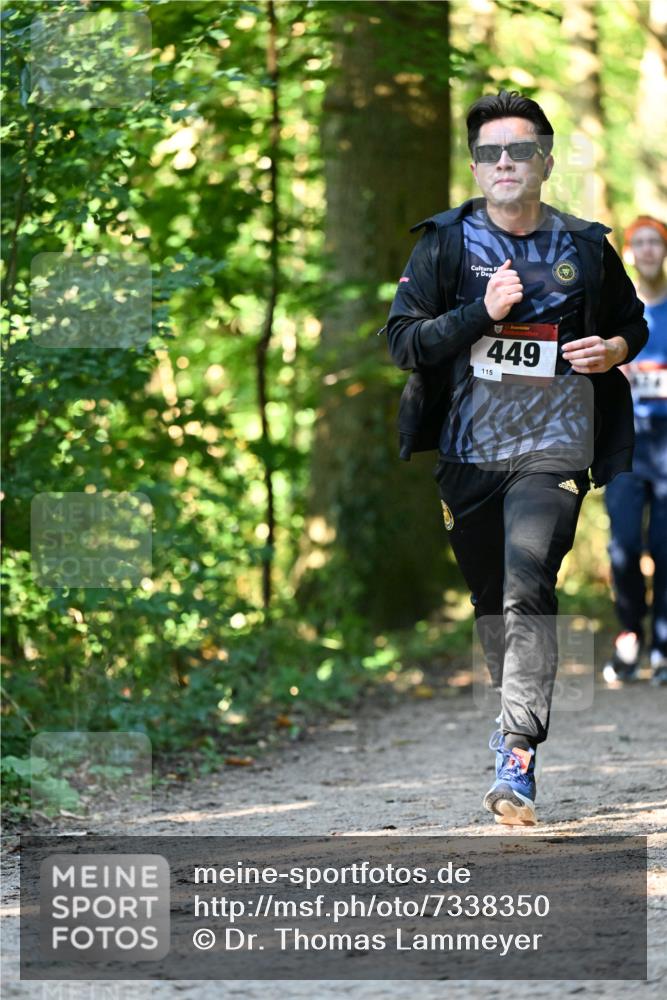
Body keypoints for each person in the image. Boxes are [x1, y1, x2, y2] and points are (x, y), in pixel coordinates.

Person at [383, 89, 648, 826]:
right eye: (491, 152)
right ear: (475, 166)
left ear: (545, 160)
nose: (506, 162)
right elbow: (403, 342)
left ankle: (517, 754)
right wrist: (480, 313)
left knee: (527, 584)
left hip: (555, 447)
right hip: (468, 455)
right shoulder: (443, 244)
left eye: (520, 150)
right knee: (490, 601)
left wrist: (614, 349)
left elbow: (631, 326)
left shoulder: (584, 247)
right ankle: (510, 728)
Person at [602, 216, 667, 686]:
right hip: (623, 441)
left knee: (665, 547)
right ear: (628, 251)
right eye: (638, 242)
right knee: (624, 545)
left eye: (655, 242)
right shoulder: (615, 308)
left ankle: (663, 643)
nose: (646, 250)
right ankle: (629, 634)